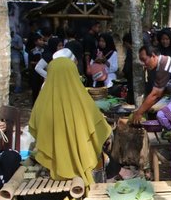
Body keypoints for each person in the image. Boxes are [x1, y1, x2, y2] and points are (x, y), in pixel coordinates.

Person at [29, 57, 112, 186]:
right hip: (87, 161)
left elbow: (35, 129)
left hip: (54, 166)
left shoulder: (41, 102)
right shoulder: (83, 99)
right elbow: (102, 129)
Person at [130, 45, 171, 124]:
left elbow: (155, 95)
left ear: (153, 56)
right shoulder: (164, 61)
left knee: (165, 116)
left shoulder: (163, 67)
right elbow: (163, 91)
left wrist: (139, 112)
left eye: (144, 60)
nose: (143, 64)